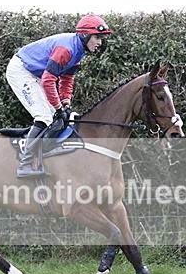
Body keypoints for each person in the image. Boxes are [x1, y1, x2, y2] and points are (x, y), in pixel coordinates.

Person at [6, 14, 112, 178]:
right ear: (85, 35)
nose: (100, 43)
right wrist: (58, 108)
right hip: (21, 71)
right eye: (97, 37)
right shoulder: (67, 49)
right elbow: (49, 80)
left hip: (37, 73)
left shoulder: (79, 50)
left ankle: (41, 155)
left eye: (101, 38)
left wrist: (65, 102)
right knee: (44, 117)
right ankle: (24, 165)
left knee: (57, 118)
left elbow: (67, 79)